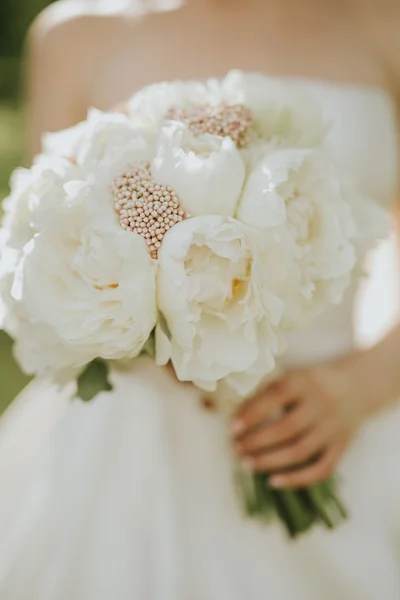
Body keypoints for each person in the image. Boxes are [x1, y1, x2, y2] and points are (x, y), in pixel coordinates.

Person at [0, 0, 400, 597]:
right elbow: (44, 254)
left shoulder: (383, 25)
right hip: (132, 463)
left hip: (338, 427)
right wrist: (153, 335)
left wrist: (360, 387)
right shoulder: (77, 34)